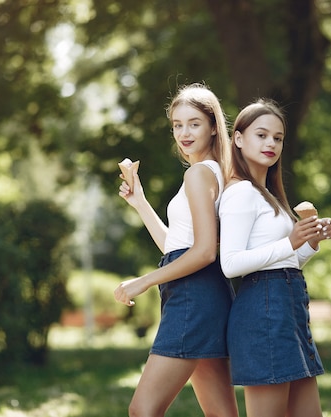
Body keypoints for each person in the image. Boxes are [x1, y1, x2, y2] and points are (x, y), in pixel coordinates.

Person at [114, 83, 238, 417]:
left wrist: (144, 281)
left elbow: (203, 253)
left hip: (193, 298)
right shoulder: (214, 172)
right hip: (205, 296)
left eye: (194, 123)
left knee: (143, 410)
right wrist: (139, 202)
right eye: (177, 125)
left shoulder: (199, 174)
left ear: (213, 126)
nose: (183, 133)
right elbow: (177, 247)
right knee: (221, 414)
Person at [219, 99, 331, 417]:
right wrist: (289, 242)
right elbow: (229, 263)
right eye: (261, 135)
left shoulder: (269, 194)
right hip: (262, 313)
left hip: (289, 308)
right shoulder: (240, 192)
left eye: (278, 137)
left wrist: (309, 243)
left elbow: (288, 261)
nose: (271, 143)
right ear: (239, 139)